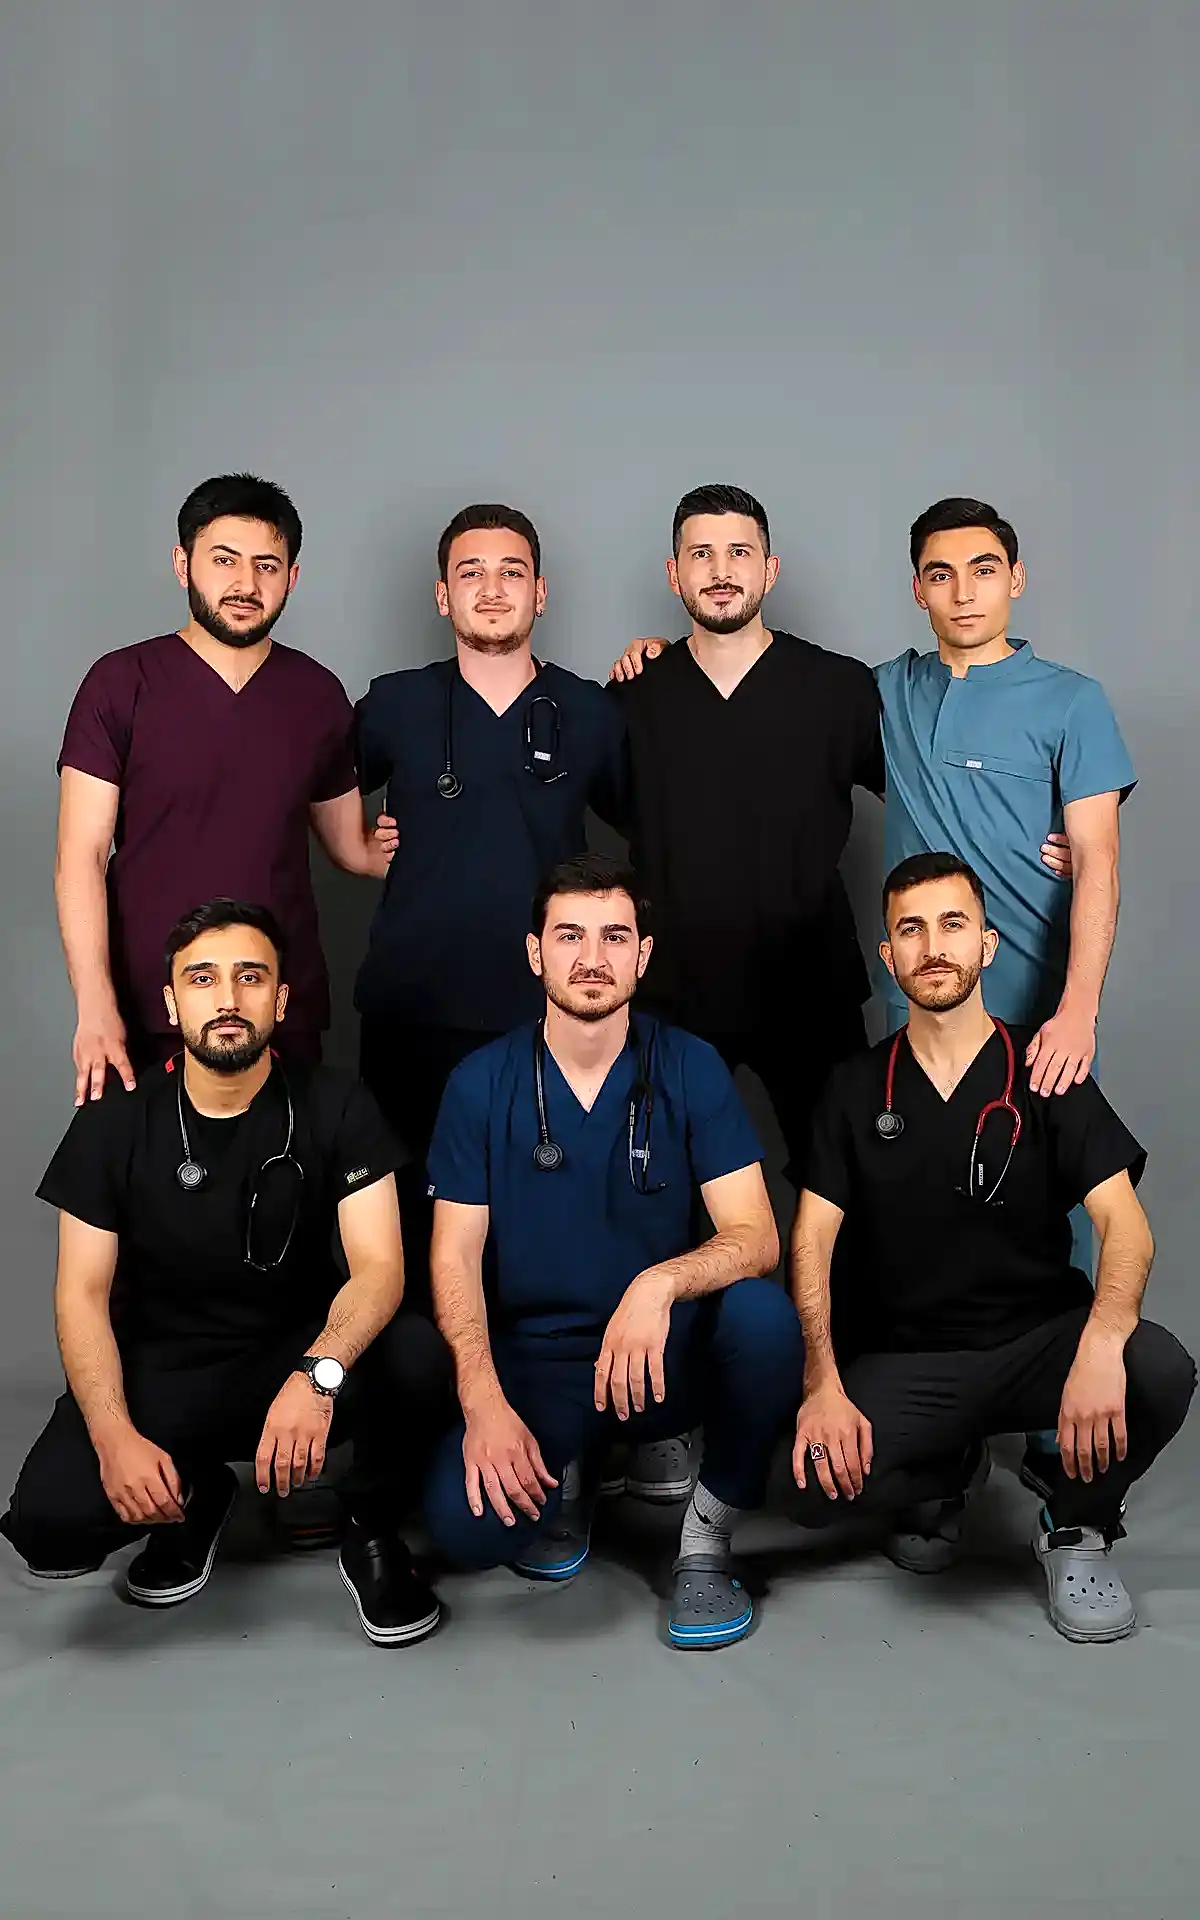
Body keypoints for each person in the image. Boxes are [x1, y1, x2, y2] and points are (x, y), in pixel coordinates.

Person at [0, 900, 456, 1646]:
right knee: (51, 1527)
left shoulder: (336, 1102)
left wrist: (318, 1378)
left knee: (418, 1355)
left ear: (281, 999)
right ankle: (197, 1493)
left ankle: (371, 1528)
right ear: (171, 1003)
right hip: (167, 1366)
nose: (228, 998)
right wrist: (113, 1436)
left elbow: (380, 1268)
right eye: (203, 978)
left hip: (297, 1354)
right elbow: (80, 1295)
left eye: (251, 977)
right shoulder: (114, 1121)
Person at [787, 853, 1193, 1643]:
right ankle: (946, 1468)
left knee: (1158, 1370)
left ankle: (1076, 1525)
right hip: (912, 1357)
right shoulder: (853, 1089)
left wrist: (1102, 1343)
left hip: (1040, 1344)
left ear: (987, 943)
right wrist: (822, 1380)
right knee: (803, 1485)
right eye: (911, 929)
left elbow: (1127, 1227)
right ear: (888, 955)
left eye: (953, 924)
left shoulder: (1045, 1073)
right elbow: (810, 1241)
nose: (933, 946)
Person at [421, 854, 803, 1649]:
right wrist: (483, 1403)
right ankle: (572, 1469)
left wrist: (659, 1285)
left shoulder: (689, 1065)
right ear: (536, 953)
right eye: (569, 936)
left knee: (763, 1319)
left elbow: (756, 1235)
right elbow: (453, 1258)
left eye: (614, 936)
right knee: (466, 1531)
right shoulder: (479, 1083)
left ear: (643, 955)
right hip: (542, 1361)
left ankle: (705, 1537)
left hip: (663, 1354)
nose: (592, 957)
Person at [55, 473, 386, 1102]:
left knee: (288, 1165)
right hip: (152, 1007)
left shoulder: (317, 694)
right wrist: (95, 1006)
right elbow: (81, 856)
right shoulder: (120, 683)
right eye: (224, 560)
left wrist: (456, 828)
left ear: (292, 576)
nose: (246, 585)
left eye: (267, 565)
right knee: (146, 1166)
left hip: (280, 1006)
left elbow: (354, 848)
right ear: (183, 564)